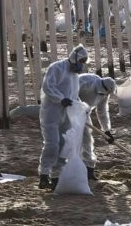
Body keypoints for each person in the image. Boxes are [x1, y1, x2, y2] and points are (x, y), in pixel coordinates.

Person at [38, 44, 87, 190]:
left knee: (63, 144)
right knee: (52, 143)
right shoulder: (56, 68)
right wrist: (60, 99)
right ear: (74, 58)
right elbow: (48, 86)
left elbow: (73, 95)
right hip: (51, 112)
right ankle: (44, 174)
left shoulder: (75, 76)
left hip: (67, 115)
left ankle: (56, 176)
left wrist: (81, 107)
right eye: (81, 61)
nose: (81, 66)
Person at [77, 73, 116, 181]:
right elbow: (70, 93)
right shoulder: (86, 81)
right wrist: (77, 108)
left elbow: (102, 111)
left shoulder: (105, 93)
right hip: (68, 112)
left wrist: (106, 130)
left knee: (87, 141)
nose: (104, 95)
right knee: (71, 141)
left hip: (84, 114)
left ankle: (89, 170)